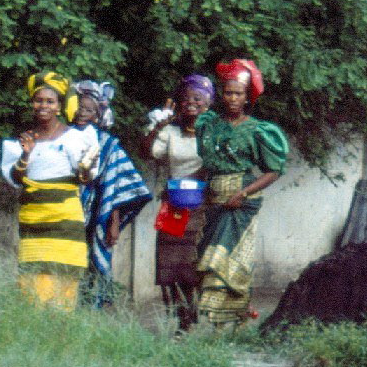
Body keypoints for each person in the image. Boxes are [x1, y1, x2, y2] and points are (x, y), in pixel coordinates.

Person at [195, 59, 289, 327]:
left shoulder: (257, 130)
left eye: (238, 94)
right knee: (208, 258)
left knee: (224, 260)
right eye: (228, 93)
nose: (233, 98)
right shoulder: (210, 125)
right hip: (214, 202)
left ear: (247, 97)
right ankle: (221, 323)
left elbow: (274, 171)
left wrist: (244, 193)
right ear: (221, 95)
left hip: (241, 204)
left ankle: (232, 321)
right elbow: (208, 165)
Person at [0, 72, 100, 311]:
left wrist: (86, 168)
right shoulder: (22, 141)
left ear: (59, 106)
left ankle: (62, 337)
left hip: (65, 222)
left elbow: (84, 178)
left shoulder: (76, 138)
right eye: (38, 100)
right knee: (32, 286)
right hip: (34, 223)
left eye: (50, 101)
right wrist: (26, 154)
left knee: (63, 283)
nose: (43, 105)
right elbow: (16, 179)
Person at [141, 74, 214, 331]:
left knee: (194, 263)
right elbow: (148, 152)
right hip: (174, 204)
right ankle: (182, 319)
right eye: (186, 98)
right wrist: (158, 126)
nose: (191, 103)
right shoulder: (171, 131)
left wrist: (197, 177)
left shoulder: (214, 132)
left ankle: (194, 314)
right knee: (171, 263)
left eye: (198, 98)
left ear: (208, 103)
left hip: (204, 205)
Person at [73, 80, 151, 308]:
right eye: (78, 106)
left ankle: (90, 314)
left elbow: (114, 186)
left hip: (98, 214)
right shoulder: (62, 137)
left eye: (89, 109)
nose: (82, 113)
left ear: (98, 115)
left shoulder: (108, 144)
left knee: (92, 266)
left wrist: (114, 221)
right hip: (67, 212)